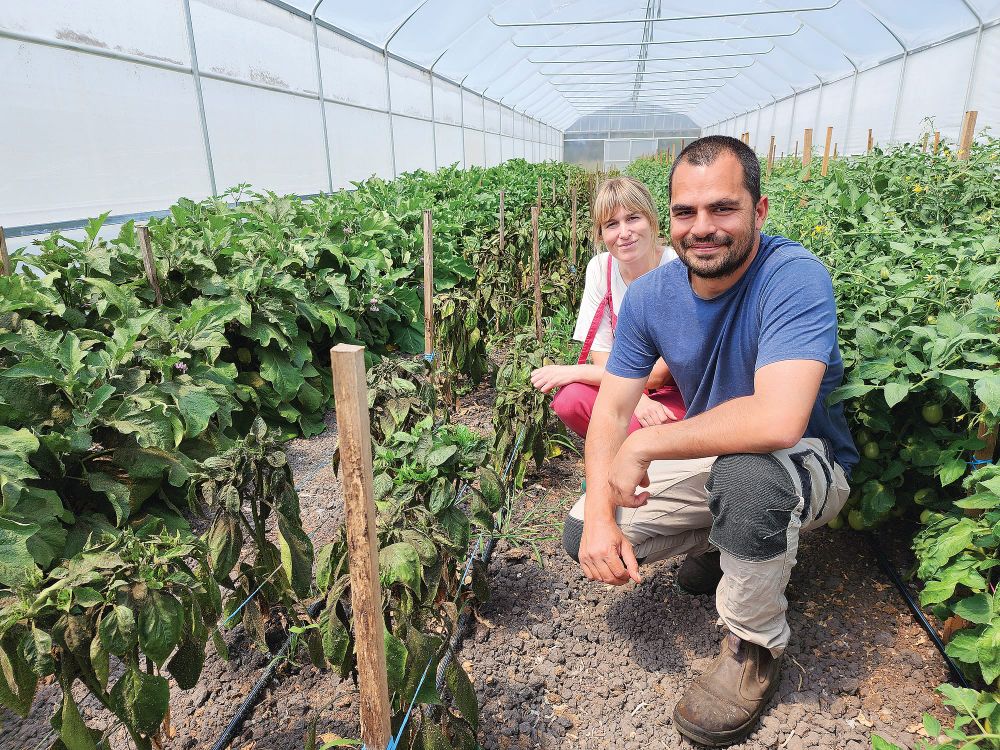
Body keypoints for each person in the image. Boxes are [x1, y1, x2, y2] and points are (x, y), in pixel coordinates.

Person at [561, 136, 859, 747]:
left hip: (807, 462)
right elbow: (611, 411)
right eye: (685, 212)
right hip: (717, 459)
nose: (703, 228)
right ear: (670, 217)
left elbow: (778, 420)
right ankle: (731, 548)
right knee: (583, 531)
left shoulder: (792, 277)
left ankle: (752, 648)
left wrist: (643, 449)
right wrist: (597, 512)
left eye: (723, 208)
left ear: (760, 211)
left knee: (748, 480)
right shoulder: (652, 295)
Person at [530, 176, 686, 437]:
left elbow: (659, 375)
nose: (624, 233)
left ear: (652, 220)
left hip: (676, 390)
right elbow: (602, 356)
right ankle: (616, 460)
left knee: (636, 428)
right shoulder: (601, 268)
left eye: (633, 218)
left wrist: (573, 371)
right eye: (612, 224)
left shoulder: (678, 269)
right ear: (601, 234)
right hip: (624, 384)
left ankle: (631, 464)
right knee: (570, 400)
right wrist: (635, 400)